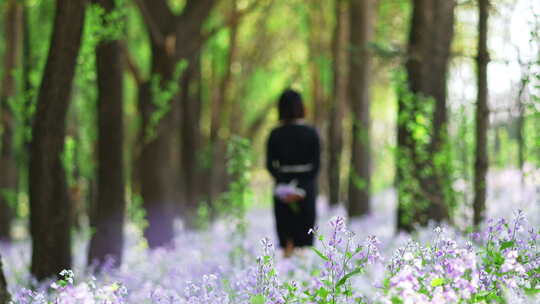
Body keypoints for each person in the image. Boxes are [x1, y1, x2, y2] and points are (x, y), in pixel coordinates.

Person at [266, 89, 321, 258]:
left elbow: (270, 165)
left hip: (282, 189)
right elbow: (317, 165)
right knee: (304, 237)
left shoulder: (275, 134)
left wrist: (285, 187)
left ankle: (286, 274)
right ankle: (303, 276)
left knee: (286, 235)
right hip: (307, 188)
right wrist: (301, 189)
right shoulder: (311, 133)